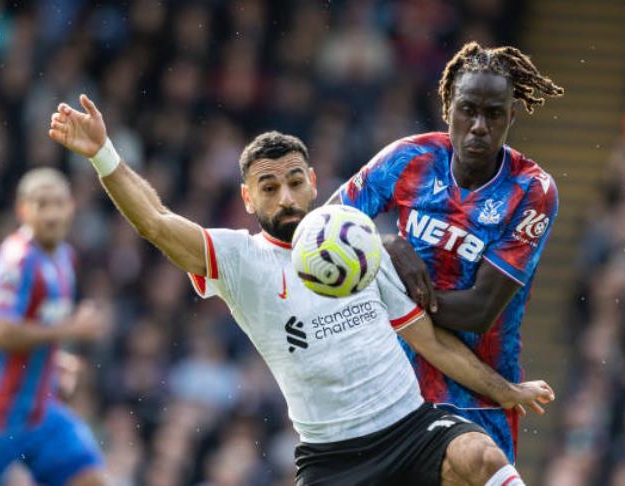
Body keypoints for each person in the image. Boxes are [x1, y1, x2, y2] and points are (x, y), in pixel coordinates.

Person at [49, 95, 553, 485]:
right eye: (269, 188)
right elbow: (157, 223)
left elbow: (431, 341)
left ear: (313, 181)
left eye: (294, 182)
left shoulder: (357, 240)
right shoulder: (240, 260)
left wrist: (506, 391)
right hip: (332, 458)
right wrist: (104, 155)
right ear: (248, 198)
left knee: (482, 457)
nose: (286, 197)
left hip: (411, 430)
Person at [329, 41, 565, 462]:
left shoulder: (531, 191)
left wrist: (386, 290)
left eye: (493, 114)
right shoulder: (409, 159)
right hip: (395, 381)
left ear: (511, 116)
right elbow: (326, 232)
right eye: (468, 109)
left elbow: (479, 311)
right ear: (447, 108)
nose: (478, 126)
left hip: (479, 394)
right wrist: (386, 244)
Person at [0, 168, 108, 485]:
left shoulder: (65, 257)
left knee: (91, 478)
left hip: (41, 411)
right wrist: (69, 329)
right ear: (23, 210)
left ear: (71, 207)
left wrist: (52, 362)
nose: (52, 214)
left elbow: (38, 324)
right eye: (42, 205)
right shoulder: (17, 259)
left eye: (58, 203)